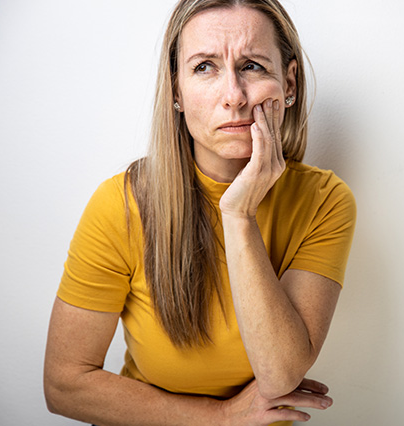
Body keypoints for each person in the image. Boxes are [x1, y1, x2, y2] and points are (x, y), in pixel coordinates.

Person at [44, 0, 356, 425]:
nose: (233, 97)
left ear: (289, 83)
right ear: (176, 91)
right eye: (205, 67)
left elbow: (281, 373)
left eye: (252, 66)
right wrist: (221, 417)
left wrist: (239, 215)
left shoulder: (325, 201)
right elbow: (64, 384)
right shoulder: (121, 204)